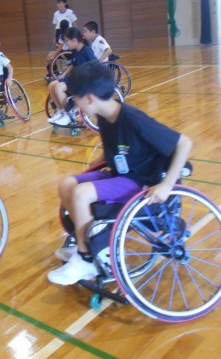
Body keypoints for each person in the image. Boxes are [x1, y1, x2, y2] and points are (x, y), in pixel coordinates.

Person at [47, 61, 193, 285]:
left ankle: (87, 259)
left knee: (81, 194)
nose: (75, 104)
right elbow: (114, 151)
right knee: (67, 184)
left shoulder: (133, 119)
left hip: (141, 182)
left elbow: (184, 143)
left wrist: (167, 185)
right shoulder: (105, 116)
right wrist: (93, 167)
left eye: (76, 98)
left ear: (89, 98)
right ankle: (85, 242)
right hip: (120, 175)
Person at [47, 27, 97, 127]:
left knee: (58, 87)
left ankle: (69, 115)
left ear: (74, 40)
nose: (66, 44)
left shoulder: (86, 51)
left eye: (66, 41)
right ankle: (61, 111)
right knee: (52, 85)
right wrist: (62, 76)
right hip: (75, 78)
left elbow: (96, 67)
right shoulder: (75, 51)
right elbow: (73, 65)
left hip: (83, 81)